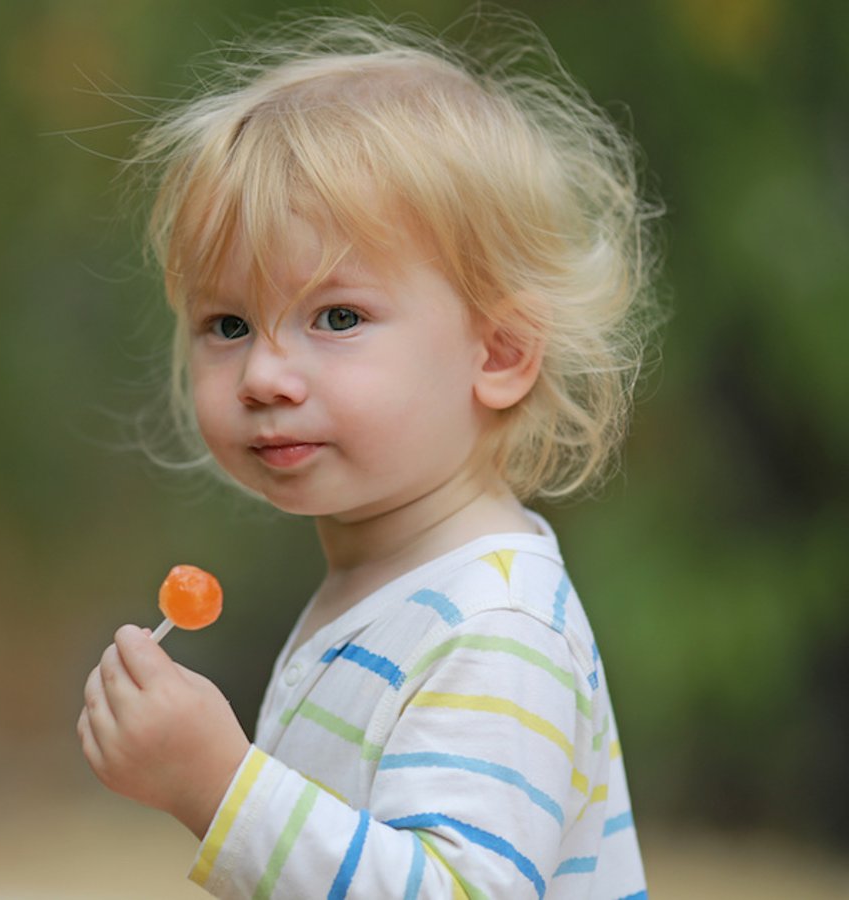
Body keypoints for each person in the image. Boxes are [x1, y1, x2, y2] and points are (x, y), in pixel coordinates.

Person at [76, 13, 659, 900]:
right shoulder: (389, 596)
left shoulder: (496, 627)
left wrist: (221, 790)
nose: (265, 374)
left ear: (498, 353)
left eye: (337, 317)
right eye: (228, 325)